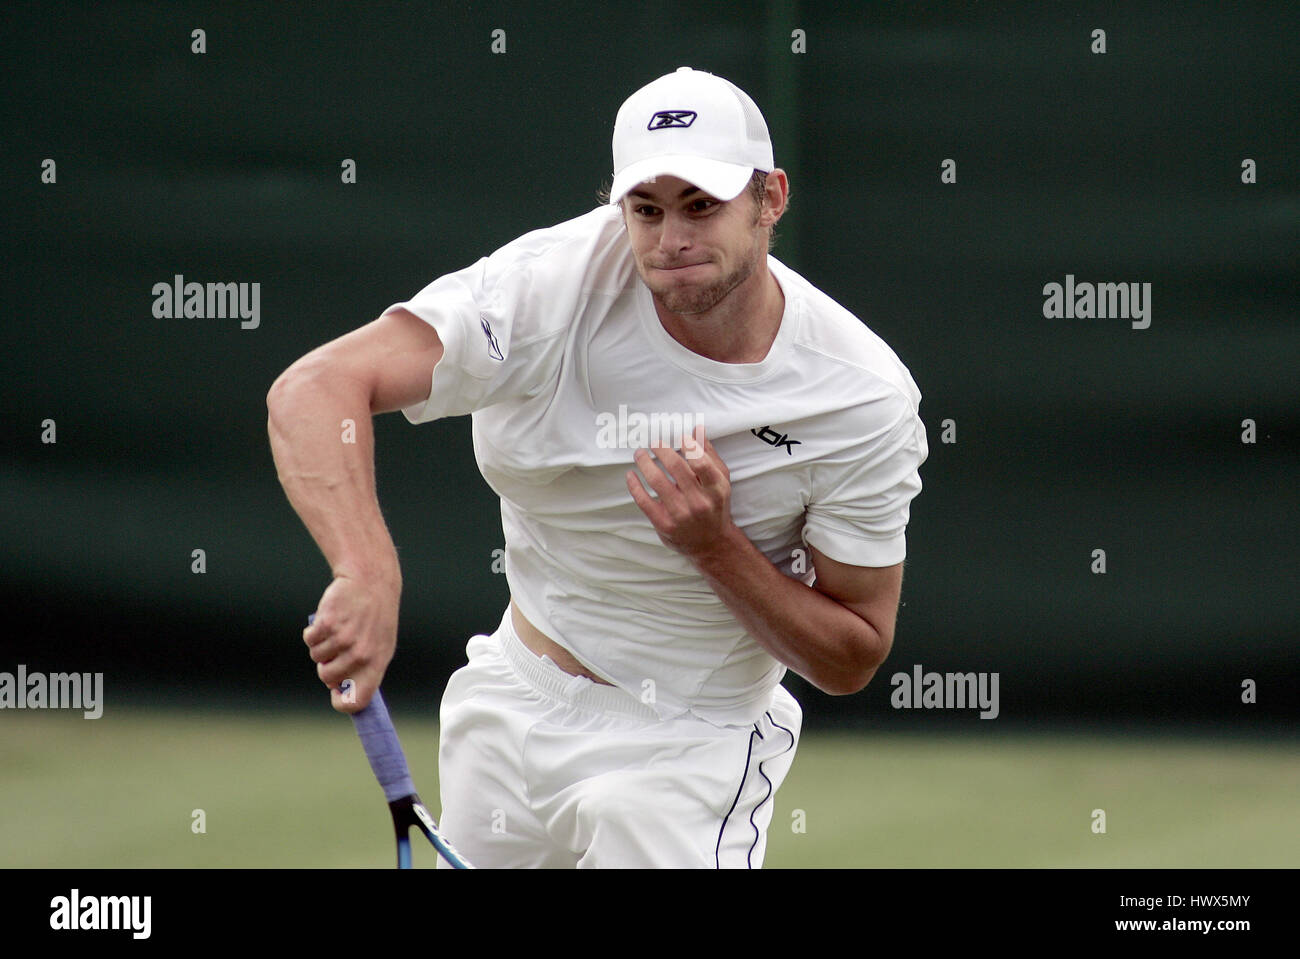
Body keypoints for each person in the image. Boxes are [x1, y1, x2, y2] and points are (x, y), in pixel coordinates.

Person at [267, 66, 927, 868]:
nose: (671, 237)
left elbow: (852, 652)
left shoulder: (861, 396)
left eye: (701, 205)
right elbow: (315, 388)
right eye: (646, 209)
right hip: (510, 704)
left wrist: (716, 546)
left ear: (771, 198)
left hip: (688, 746)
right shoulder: (544, 287)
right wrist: (365, 571)